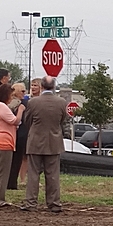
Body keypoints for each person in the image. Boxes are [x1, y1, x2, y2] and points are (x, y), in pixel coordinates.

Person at [20, 75, 67, 213]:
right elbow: (62, 121)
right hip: (54, 141)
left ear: (42, 86)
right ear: (53, 86)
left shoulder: (33, 102)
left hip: (35, 141)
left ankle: (31, 203)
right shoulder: (62, 102)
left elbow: (27, 120)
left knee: (33, 174)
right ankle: (54, 204)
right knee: (53, 174)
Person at [5, 82, 29, 191]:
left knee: (12, 159)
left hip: (12, 134)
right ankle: (11, 183)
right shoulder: (21, 104)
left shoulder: (7, 103)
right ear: (16, 92)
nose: (25, 93)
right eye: (23, 91)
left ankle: (9, 181)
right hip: (18, 134)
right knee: (16, 159)